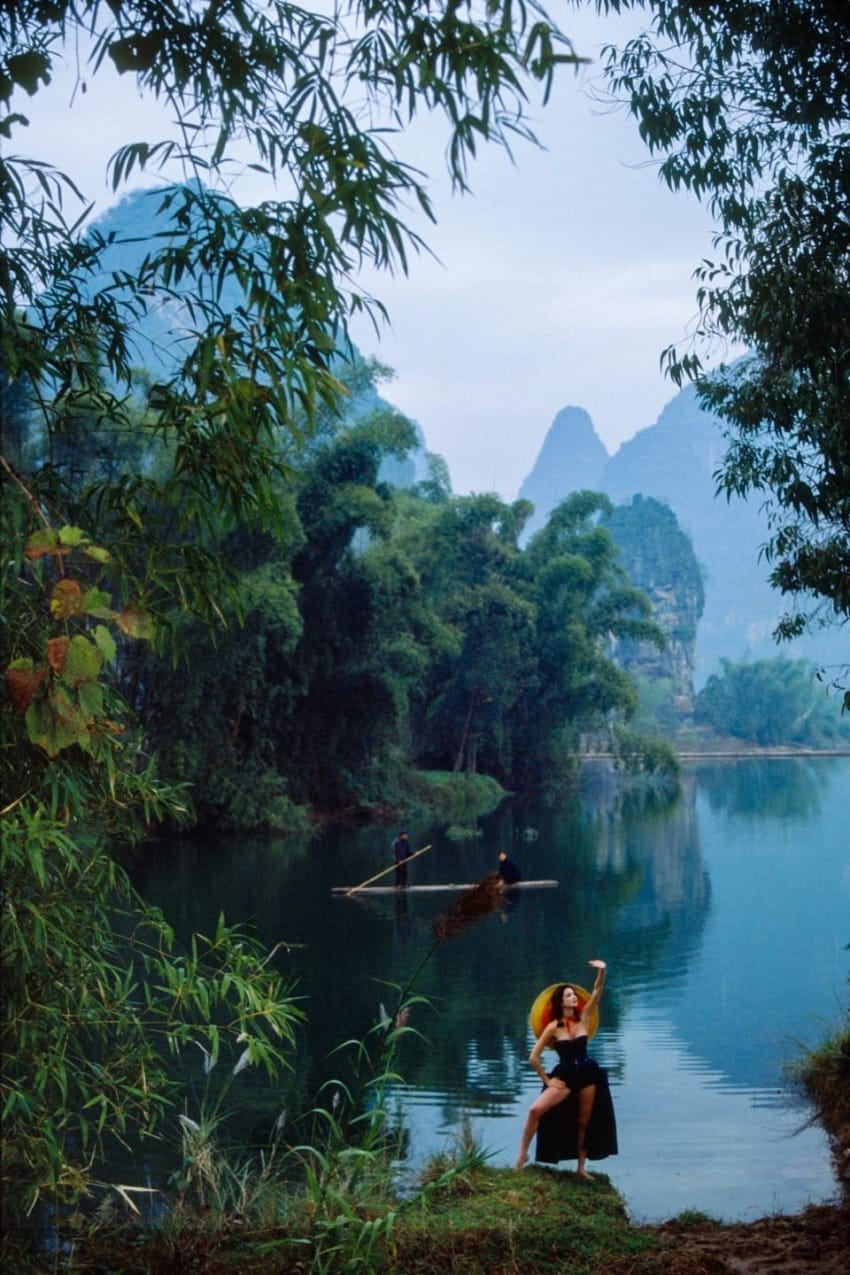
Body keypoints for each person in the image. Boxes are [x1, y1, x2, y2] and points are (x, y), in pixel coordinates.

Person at [515, 959, 617, 1177]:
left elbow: (597, 991)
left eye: (573, 995)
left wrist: (602, 970)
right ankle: (522, 1155)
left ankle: (581, 1168)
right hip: (566, 1075)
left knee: (584, 1122)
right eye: (569, 995)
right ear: (560, 1001)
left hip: (588, 1074)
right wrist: (546, 1080)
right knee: (535, 1111)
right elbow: (534, 1057)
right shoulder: (553, 1027)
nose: (574, 998)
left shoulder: (584, 1018)